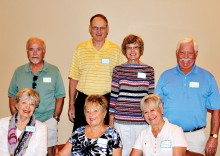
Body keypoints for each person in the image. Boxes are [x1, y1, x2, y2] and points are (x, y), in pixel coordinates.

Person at [155, 37, 220, 155]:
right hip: (169, 134)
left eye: (190, 53)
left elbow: (216, 109)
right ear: (176, 54)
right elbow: (155, 106)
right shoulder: (165, 76)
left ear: (196, 54)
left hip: (195, 138)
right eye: (182, 52)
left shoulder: (208, 78)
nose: (185, 56)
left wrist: (214, 137)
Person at [8, 37, 66, 155]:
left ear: (44, 52)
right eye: (31, 49)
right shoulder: (18, 72)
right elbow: (12, 96)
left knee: (48, 152)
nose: (35, 53)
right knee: (23, 150)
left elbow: (60, 96)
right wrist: (16, 116)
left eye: (38, 49)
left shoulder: (54, 71)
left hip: (47, 120)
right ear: (27, 52)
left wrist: (55, 117)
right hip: (23, 120)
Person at [68, 14, 123, 131]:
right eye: (95, 28)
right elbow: (74, 78)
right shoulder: (80, 48)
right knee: (81, 136)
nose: (99, 31)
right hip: (83, 100)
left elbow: (119, 81)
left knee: (105, 138)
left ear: (107, 29)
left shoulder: (115, 50)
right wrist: (71, 104)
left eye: (102, 28)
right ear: (90, 29)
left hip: (106, 100)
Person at [109, 34, 154, 156]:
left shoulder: (149, 70)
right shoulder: (118, 70)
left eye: (136, 47)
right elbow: (113, 97)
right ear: (124, 50)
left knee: (141, 153)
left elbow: (150, 99)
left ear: (141, 50)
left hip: (142, 122)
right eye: (129, 47)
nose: (132, 51)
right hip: (121, 122)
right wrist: (111, 122)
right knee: (121, 153)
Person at [55, 95, 122, 156]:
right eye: (88, 111)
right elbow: (61, 153)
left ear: (104, 113)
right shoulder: (79, 132)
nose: (91, 114)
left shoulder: (113, 134)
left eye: (95, 111)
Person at [0, 88, 47, 155]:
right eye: (24, 103)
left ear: (35, 107)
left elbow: (41, 153)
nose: (27, 107)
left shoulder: (41, 127)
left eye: (32, 104)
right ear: (16, 105)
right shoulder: (1, 123)